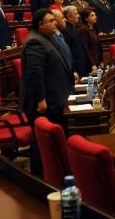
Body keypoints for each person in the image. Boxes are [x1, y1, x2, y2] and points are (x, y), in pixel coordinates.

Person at [19, 8, 74, 150]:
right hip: (44, 102)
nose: (55, 23)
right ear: (40, 25)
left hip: (54, 98)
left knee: (52, 140)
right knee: (43, 141)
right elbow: (35, 72)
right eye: (51, 21)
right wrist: (41, 99)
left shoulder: (45, 38)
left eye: (55, 20)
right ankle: (39, 171)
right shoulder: (35, 42)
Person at [62, 6, 88, 77]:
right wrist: (73, 70)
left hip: (80, 65)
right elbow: (67, 52)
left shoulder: (73, 28)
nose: (79, 16)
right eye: (76, 14)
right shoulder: (66, 30)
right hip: (75, 68)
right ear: (69, 17)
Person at [79, 8, 102, 72]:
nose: (95, 17)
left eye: (95, 15)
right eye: (92, 15)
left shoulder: (93, 28)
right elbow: (85, 48)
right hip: (90, 64)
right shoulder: (83, 30)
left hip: (96, 60)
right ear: (86, 19)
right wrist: (92, 64)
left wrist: (100, 60)